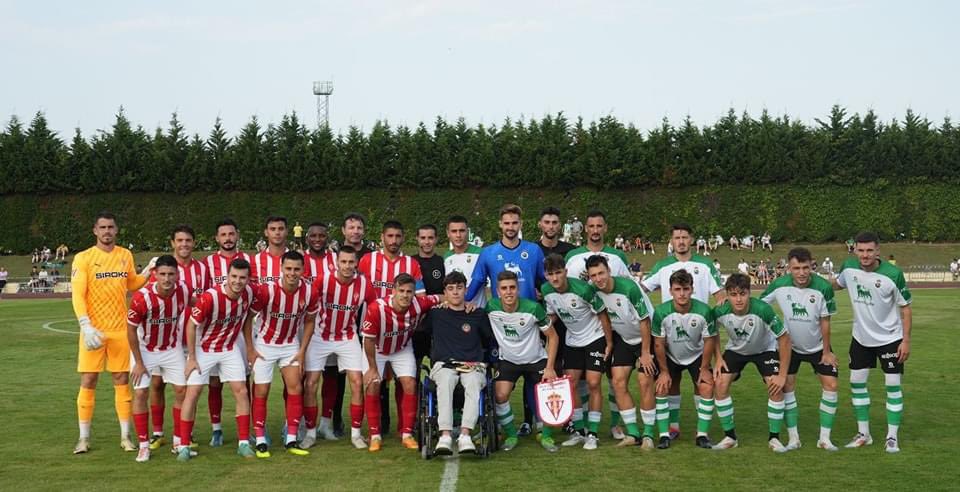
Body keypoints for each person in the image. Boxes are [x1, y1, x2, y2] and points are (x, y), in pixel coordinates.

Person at [71, 211, 152, 454]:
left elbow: (132, 284)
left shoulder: (124, 255)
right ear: (95, 231)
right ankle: (83, 438)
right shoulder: (83, 258)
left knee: (122, 380)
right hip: (93, 330)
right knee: (88, 380)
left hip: (119, 330)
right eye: (103, 227)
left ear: (116, 231)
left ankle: (125, 436)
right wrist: (85, 325)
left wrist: (148, 270)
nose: (107, 231)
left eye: (111, 227)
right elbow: (77, 293)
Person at [641, 223, 725, 440]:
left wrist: (711, 319)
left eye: (684, 237)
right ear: (672, 241)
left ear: (691, 240)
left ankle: (701, 432)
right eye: (677, 237)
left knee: (703, 385)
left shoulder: (705, 265)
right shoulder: (662, 265)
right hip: (668, 339)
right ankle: (674, 427)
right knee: (671, 383)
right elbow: (641, 292)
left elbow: (721, 297)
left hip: (698, 336)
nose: (680, 241)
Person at [832, 231, 912, 453]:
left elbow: (905, 309)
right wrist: (805, 282)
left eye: (869, 250)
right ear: (854, 249)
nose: (864, 255)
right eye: (860, 250)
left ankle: (892, 437)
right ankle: (864, 434)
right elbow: (835, 286)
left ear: (878, 251)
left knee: (892, 387)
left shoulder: (893, 274)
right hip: (860, 339)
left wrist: (906, 341)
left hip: (890, 339)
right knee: (857, 385)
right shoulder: (848, 267)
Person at [761, 247, 840, 451]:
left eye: (806, 267)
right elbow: (759, 305)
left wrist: (826, 351)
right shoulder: (779, 284)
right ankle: (793, 438)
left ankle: (825, 438)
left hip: (818, 347)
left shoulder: (823, 287)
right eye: (796, 268)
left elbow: (825, 321)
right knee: (786, 387)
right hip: (790, 347)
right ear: (789, 268)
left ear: (812, 265)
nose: (802, 273)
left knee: (831, 385)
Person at [178, 258, 257, 461]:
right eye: (234, 277)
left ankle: (243, 443)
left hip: (229, 349)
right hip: (204, 349)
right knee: (193, 392)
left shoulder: (249, 293)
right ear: (227, 276)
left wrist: (249, 348)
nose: (238, 281)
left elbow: (248, 318)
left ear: (248, 279)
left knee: (241, 391)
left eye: (242, 278)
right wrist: (192, 358)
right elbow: (191, 325)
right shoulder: (210, 297)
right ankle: (184, 446)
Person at [302, 246, 377, 449]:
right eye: (343, 262)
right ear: (337, 263)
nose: (347, 266)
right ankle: (310, 433)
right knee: (311, 384)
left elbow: (375, 308)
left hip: (347, 336)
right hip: (320, 336)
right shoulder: (323, 280)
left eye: (351, 262)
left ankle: (355, 434)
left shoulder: (364, 284)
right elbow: (307, 301)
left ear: (356, 263)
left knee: (356, 382)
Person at [244, 251, 316, 458]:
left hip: (290, 345)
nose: (292, 273)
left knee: (296, 387)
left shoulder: (309, 292)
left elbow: (310, 321)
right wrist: (250, 348)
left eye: (297, 269)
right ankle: (260, 439)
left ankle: (291, 438)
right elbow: (249, 318)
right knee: (261, 391)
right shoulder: (267, 290)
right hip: (265, 345)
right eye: (288, 269)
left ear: (303, 270)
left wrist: (302, 352)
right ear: (281, 269)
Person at [358, 220, 425, 437]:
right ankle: (378, 428)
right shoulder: (368, 260)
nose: (394, 240)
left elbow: (422, 297)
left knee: (402, 381)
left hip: (401, 333)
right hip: (374, 333)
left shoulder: (411, 264)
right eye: (390, 236)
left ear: (403, 238)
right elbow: (356, 291)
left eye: (398, 236)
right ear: (382, 237)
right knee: (375, 382)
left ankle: (404, 429)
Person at [712, 273, 792, 452]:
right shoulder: (719, 310)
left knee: (776, 386)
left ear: (750, 293)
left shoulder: (763, 309)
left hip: (764, 349)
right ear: (727, 295)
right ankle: (730, 437)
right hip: (736, 350)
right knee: (720, 384)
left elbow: (784, 339)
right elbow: (712, 333)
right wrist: (717, 357)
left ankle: (774, 438)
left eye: (743, 293)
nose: (738, 299)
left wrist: (782, 375)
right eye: (733, 294)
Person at [146, 225, 209, 452]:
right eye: (180, 240)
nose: (184, 244)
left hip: (191, 339)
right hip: (162, 340)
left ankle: (181, 435)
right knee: (156, 385)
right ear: (173, 243)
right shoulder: (160, 267)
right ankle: (158, 433)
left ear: (194, 243)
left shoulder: (202, 269)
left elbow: (206, 301)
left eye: (188, 240)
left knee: (185, 389)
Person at [361, 274, 441, 451]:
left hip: (401, 348)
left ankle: (407, 434)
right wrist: (373, 368)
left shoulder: (420, 304)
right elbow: (368, 340)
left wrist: (465, 303)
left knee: (410, 384)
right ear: (393, 291)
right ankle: (374, 435)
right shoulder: (377, 308)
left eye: (409, 292)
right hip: (377, 350)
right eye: (401, 291)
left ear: (414, 293)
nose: (405, 295)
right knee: (373, 384)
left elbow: (441, 297)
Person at [541, 254, 613, 450]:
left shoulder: (584, 289)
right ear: (546, 276)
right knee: (570, 385)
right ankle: (579, 431)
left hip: (594, 338)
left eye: (558, 273)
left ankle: (593, 433)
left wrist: (609, 342)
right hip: (572, 340)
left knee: (593, 383)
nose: (555, 278)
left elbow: (602, 314)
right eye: (550, 274)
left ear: (565, 272)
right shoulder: (546, 290)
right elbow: (552, 314)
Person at [587, 255, 657, 449]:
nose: (599, 278)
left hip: (646, 337)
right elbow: (604, 317)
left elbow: (645, 320)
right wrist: (609, 342)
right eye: (594, 275)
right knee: (617, 382)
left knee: (645, 381)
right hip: (624, 340)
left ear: (609, 270)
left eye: (601, 273)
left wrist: (645, 352)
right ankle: (633, 433)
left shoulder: (629, 288)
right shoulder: (594, 291)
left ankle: (649, 434)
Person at [487, 271, 561, 452]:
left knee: (550, 392)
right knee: (500, 395)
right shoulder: (491, 307)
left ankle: (546, 436)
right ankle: (511, 435)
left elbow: (553, 336)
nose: (508, 292)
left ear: (518, 289)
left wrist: (550, 367)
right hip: (509, 360)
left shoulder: (533, 308)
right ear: (497, 291)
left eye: (512, 287)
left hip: (535, 359)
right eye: (504, 288)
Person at [421, 272, 492, 455]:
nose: (455, 293)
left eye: (459, 288)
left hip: (472, 364)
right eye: (451, 289)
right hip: (444, 364)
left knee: (474, 382)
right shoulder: (436, 313)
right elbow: (420, 332)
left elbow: (490, 340)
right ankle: (445, 434)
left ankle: (465, 435)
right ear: (445, 291)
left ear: (465, 290)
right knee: (445, 380)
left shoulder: (477, 314)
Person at [127, 255, 190, 462]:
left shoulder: (183, 290)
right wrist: (138, 362)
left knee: (182, 391)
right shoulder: (141, 297)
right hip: (144, 350)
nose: (166, 278)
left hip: (171, 349)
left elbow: (200, 305)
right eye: (162, 274)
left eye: (171, 274)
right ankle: (144, 445)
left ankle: (178, 442)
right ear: (154, 274)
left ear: (177, 274)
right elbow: (130, 330)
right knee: (141, 393)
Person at [651, 269, 719, 450]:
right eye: (677, 289)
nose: (682, 294)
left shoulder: (704, 311)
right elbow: (658, 344)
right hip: (671, 356)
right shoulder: (661, 313)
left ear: (692, 289)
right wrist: (664, 372)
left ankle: (702, 434)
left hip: (696, 355)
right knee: (664, 386)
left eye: (686, 289)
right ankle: (667, 433)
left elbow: (709, 341)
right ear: (671, 290)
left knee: (706, 385)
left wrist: (705, 368)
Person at [204, 218, 252, 446]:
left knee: (243, 380)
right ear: (217, 238)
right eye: (223, 235)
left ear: (237, 235)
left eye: (231, 234)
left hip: (239, 331)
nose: (228, 238)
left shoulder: (249, 260)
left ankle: (248, 429)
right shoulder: (207, 264)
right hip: (213, 333)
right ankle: (217, 429)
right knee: (215, 382)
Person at [466, 204, 545, 304]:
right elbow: (476, 284)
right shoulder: (487, 253)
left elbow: (546, 280)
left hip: (529, 314)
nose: (511, 227)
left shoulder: (534, 250)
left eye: (514, 223)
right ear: (500, 224)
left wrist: (544, 294)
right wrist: (457, 302)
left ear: (521, 224)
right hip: (500, 315)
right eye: (507, 223)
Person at [564, 210, 630, 281]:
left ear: (605, 228)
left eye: (599, 226)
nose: (595, 231)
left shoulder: (618, 256)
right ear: (586, 228)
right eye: (591, 226)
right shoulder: (571, 256)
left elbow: (628, 285)